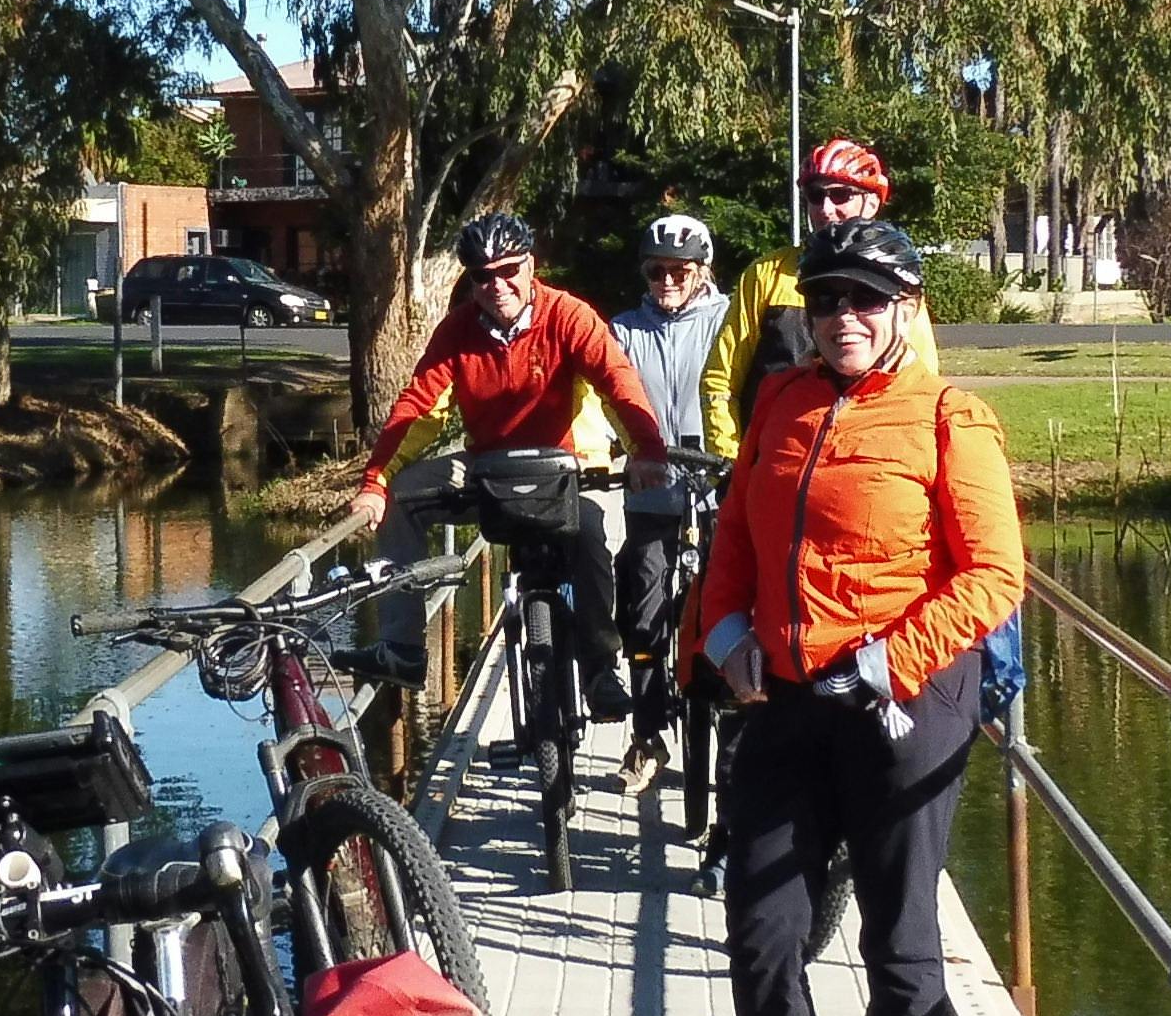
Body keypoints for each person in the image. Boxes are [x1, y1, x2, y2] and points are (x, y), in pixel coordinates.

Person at [681, 215, 1023, 1016]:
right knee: (762, 923)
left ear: (907, 310)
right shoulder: (781, 401)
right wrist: (726, 631)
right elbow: (737, 530)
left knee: (900, 930)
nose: (842, 319)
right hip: (783, 697)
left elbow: (994, 574)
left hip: (903, 704)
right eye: (824, 300)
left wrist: (891, 660)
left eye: (865, 300)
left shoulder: (952, 417)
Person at [342, 211, 673, 732]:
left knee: (591, 535)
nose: (497, 285)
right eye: (482, 275)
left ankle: (600, 670)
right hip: (489, 467)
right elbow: (419, 409)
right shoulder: (457, 331)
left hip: (568, 467)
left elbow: (618, 382)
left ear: (531, 266)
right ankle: (404, 648)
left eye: (508, 270)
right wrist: (375, 480)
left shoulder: (569, 316)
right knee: (403, 497)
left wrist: (647, 450)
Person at [701, 138, 942, 455]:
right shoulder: (765, 274)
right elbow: (721, 381)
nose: (825, 209)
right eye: (815, 196)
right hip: (773, 464)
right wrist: (730, 463)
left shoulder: (893, 276)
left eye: (840, 194)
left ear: (871, 203)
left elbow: (922, 384)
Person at [605, 213, 730, 793]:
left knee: (729, 600)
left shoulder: (728, 321)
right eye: (656, 270)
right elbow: (603, 395)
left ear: (703, 270)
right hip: (652, 483)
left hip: (716, 480)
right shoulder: (624, 328)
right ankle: (647, 733)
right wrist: (625, 450)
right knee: (644, 596)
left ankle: (735, 737)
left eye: (679, 270)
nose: (666, 281)